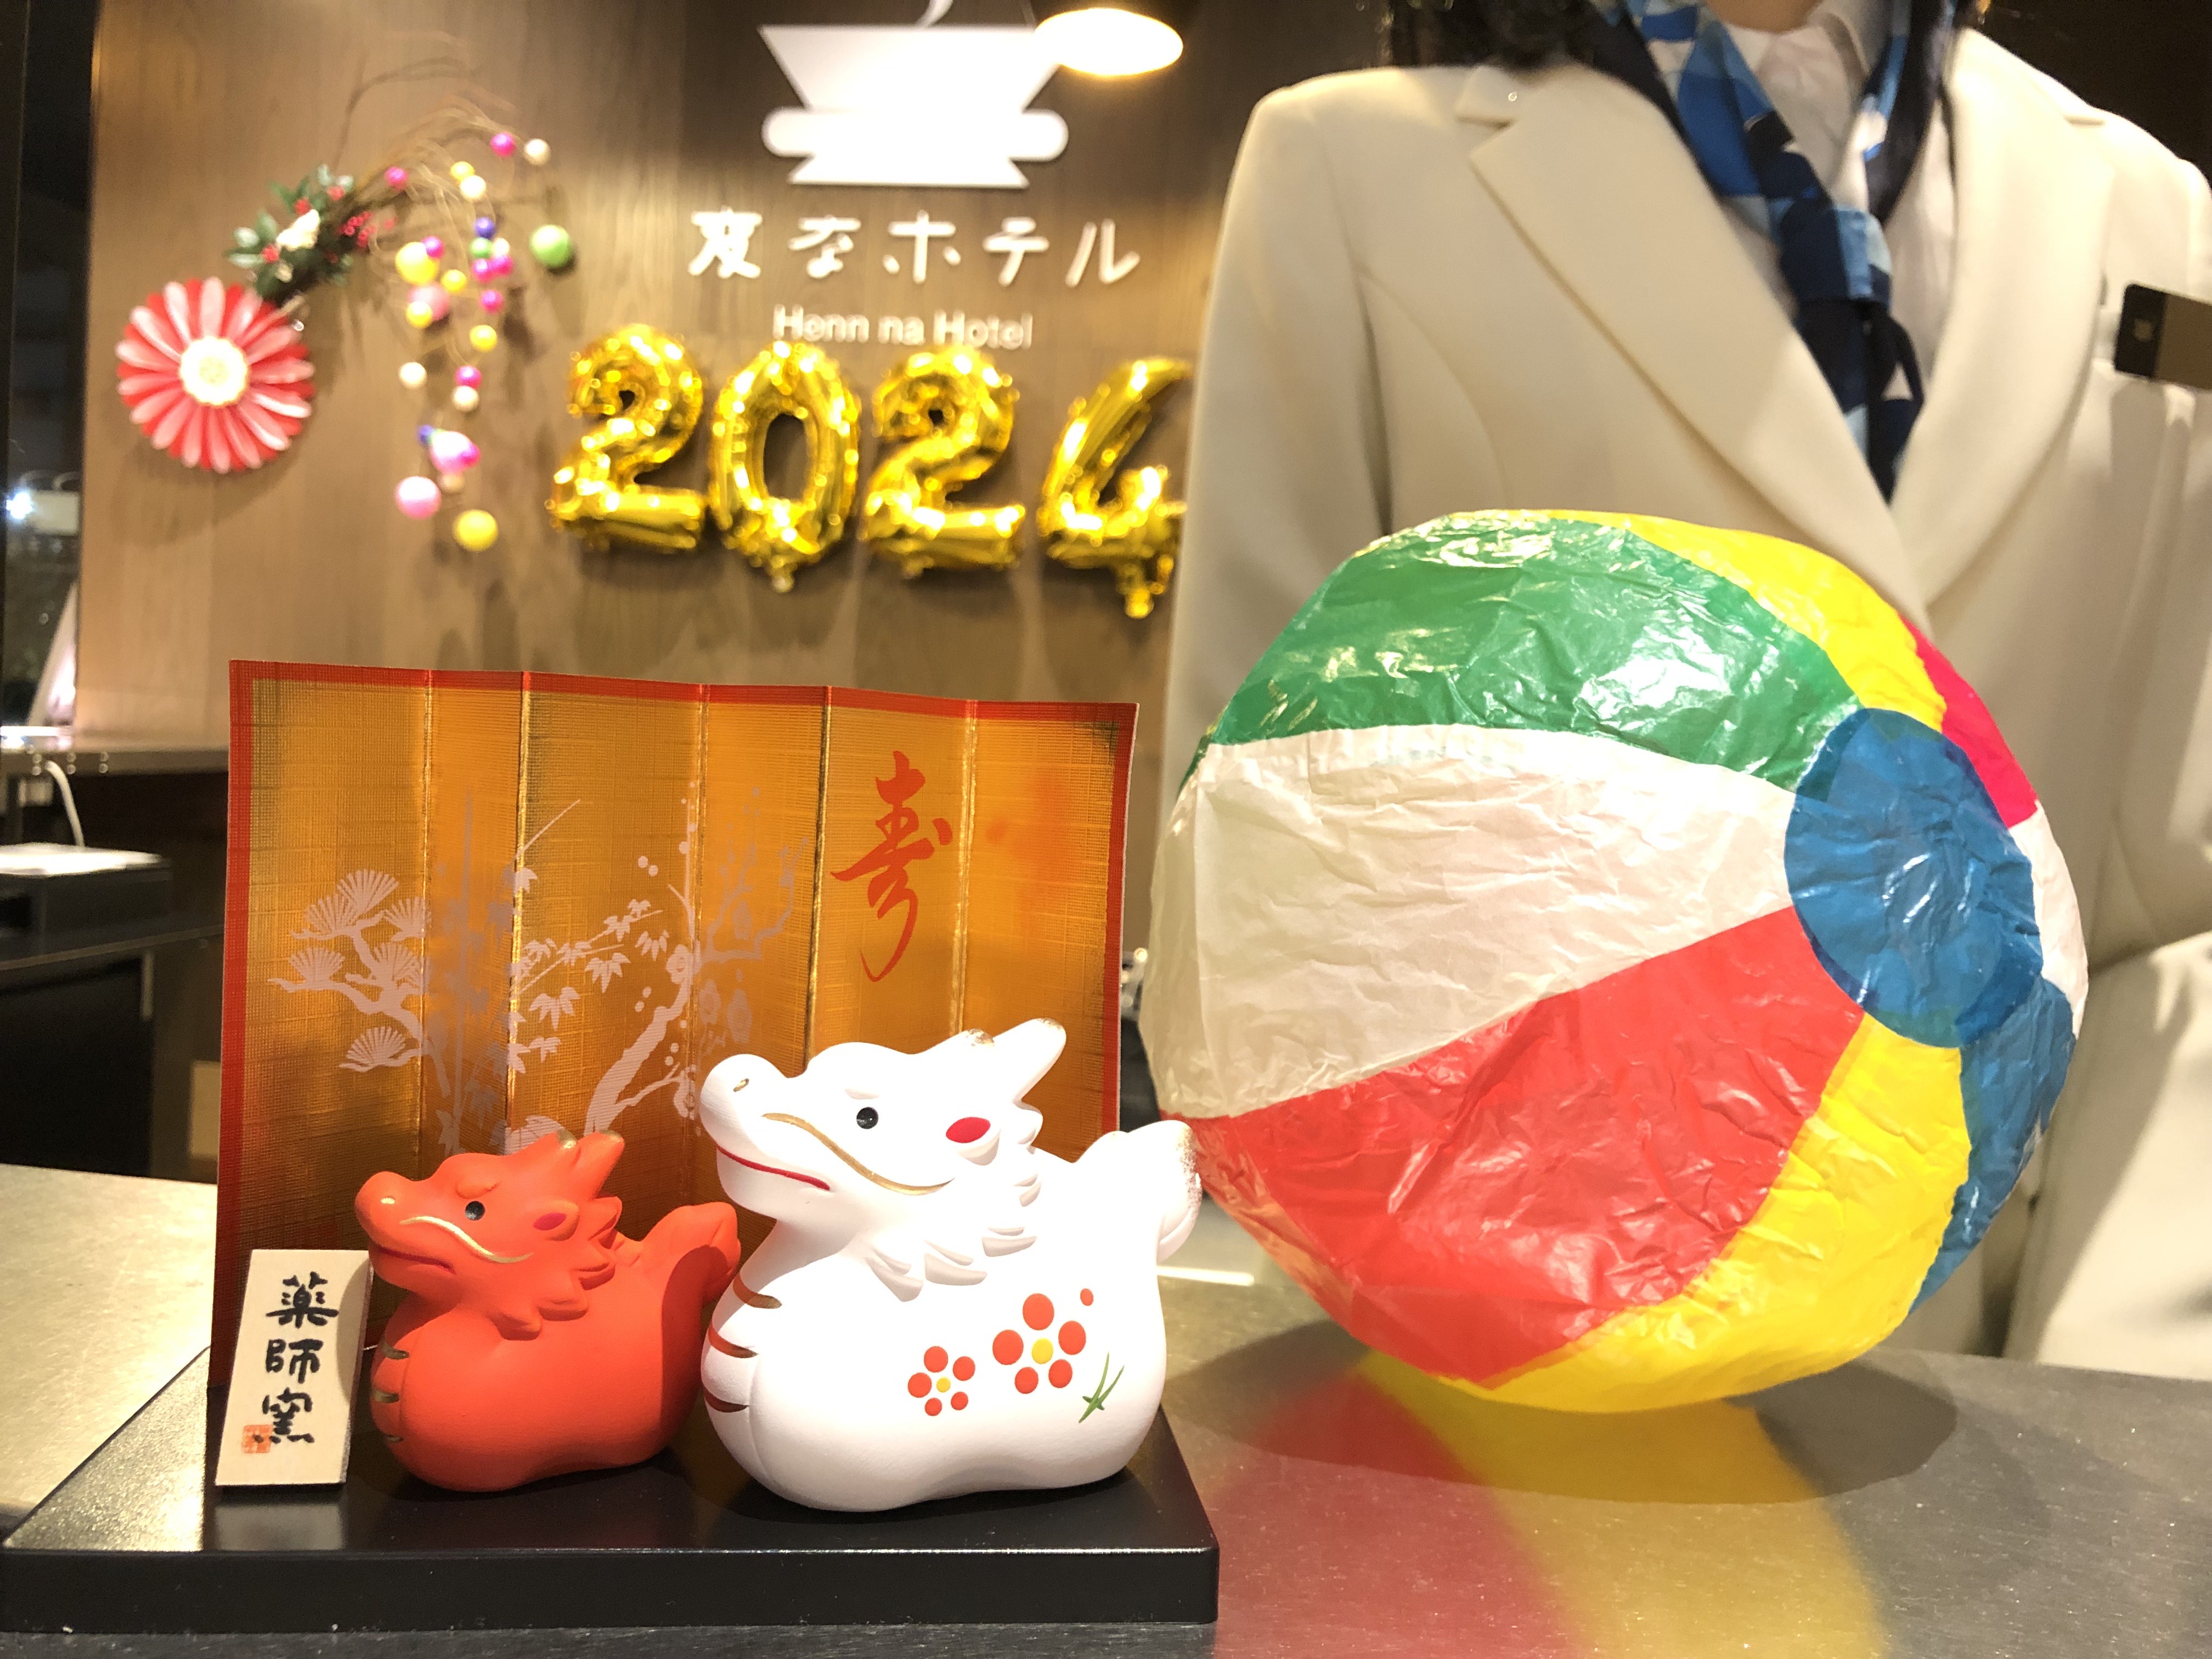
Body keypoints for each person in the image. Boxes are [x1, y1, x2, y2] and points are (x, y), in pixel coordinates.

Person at [1163, 0, 2212, 1368]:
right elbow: (1248, 851)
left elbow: (2178, 893)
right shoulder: (1350, 170)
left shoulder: (2149, 207)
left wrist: (2125, 1382)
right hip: (1527, 1327)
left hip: (2026, 1329)